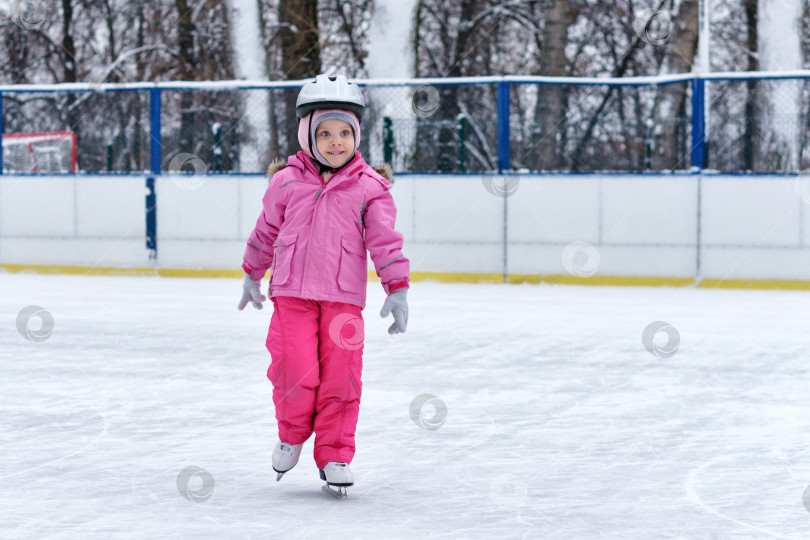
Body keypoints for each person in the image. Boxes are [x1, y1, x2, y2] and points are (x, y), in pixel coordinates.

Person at [237, 74, 410, 498]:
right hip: (292, 296)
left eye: (345, 132)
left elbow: (385, 240)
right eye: (325, 132)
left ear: (357, 135)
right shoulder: (286, 182)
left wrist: (397, 286)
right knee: (293, 369)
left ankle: (335, 454)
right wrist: (251, 272)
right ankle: (292, 434)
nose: (336, 141)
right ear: (307, 134)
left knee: (341, 377)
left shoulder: (371, 187)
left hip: (343, 302)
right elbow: (265, 231)